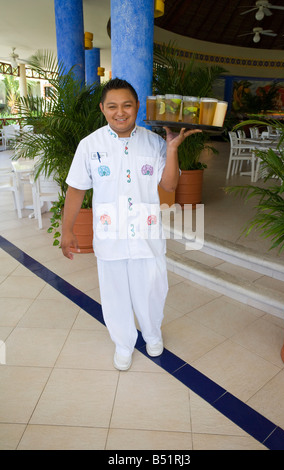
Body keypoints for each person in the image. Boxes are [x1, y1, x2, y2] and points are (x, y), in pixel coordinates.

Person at [61, 78, 201, 371]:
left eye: (127, 105)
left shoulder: (153, 142)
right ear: (102, 108)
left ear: (137, 107)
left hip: (146, 234)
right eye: (112, 106)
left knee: (152, 289)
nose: (120, 112)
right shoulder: (90, 145)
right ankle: (123, 343)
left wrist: (172, 148)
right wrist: (67, 229)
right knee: (115, 295)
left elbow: (170, 184)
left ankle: (151, 334)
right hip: (110, 235)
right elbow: (76, 189)